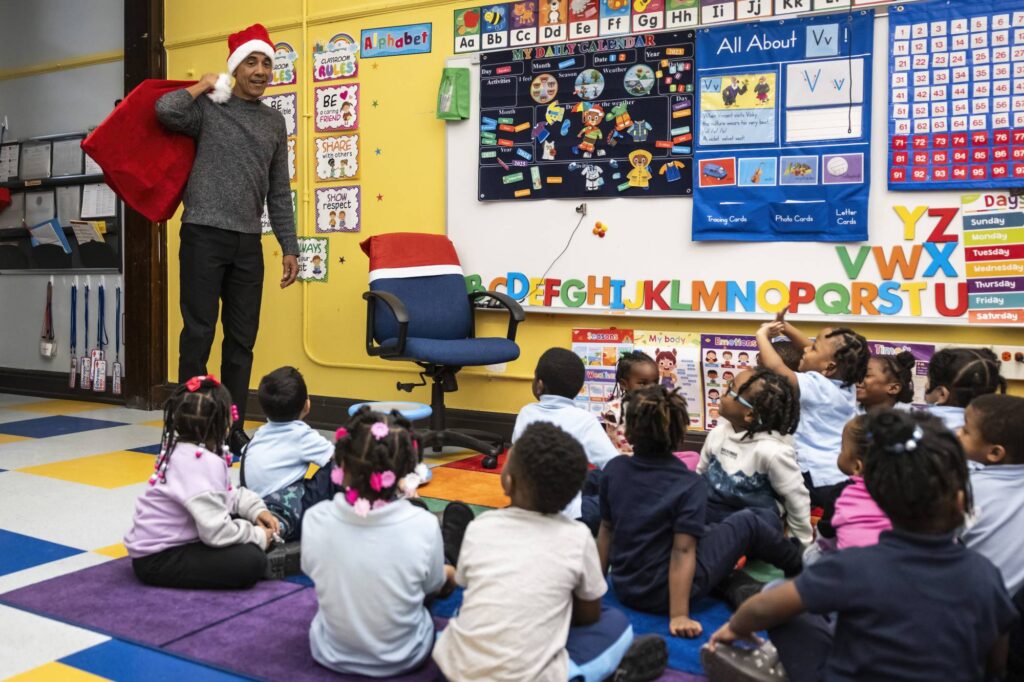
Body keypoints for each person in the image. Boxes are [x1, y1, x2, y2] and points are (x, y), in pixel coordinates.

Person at [706, 410, 1017, 682]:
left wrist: (737, 626)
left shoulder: (853, 565)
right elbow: (996, 656)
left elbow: (764, 607)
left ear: (879, 500)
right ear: (961, 501)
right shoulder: (985, 573)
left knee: (774, 593)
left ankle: (776, 667)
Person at [155, 23, 299, 457]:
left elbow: (278, 189)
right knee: (197, 333)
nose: (260, 70)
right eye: (251, 62)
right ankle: (189, 425)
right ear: (235, 68)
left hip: (248, 242)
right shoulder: (210, 110)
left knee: (241, 340)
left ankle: (233, 426)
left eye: (267, 63)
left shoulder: (275, 122)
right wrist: (201, 85)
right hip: (202, 233)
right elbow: (165, 110)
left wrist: (289, 246)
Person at [433, 422, 667, 682]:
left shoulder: (481, 526)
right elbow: (588, 616)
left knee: (465, 614)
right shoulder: (578, 538)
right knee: (617, 624)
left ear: (507, 480)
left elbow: (468, 588)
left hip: (455, 670)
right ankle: (578, 674)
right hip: (532, 676)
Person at [597, 385, 802, 639]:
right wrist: (679, 615)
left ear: (628, 432)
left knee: (712, 531)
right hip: (667, 596)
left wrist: (595, 590)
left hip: (626, 587)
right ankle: (799, 564)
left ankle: (732, 582)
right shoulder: (688, 483)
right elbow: (682, 551)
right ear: (679, 434)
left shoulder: (614, 469)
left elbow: (606, 530)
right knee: (748, 521)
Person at [301, 408, 473, 677]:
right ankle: (449, 559)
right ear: (406, 470)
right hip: (405, 655)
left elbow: (313, 571)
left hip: (329, 651)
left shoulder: (314, 519)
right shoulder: (421, 525)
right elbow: (431, 587)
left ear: (342, 464)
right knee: (457, 514)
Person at [124, 375, 276, 588]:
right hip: (158, 559)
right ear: (225, 424)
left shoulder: (183, 450)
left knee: (244, 527)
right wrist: (258, 536)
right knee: (251, 560)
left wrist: (256, 510)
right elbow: (216, 533)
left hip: (176, 541)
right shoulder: (201, 463)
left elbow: (226, 493)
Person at [755, 312, 868, 513]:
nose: (805, 349)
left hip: (813, 475)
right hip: (836, 474)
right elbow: (814, 350)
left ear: (829, 367)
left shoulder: (816, 385)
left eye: (813, 348)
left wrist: (762, 337)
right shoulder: (845, 386)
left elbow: (776, 367)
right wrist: (785, 327)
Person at [697, 368, 811, 547]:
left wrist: (801, 543)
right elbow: (700, 474)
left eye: (730, 390)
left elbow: (796, 499)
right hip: (713, 511)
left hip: (753, 521)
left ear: (749, 414)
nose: (722, 394)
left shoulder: (774, 452)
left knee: (762, 523)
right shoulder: (717, 434)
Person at [513, 347, 620, 529]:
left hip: (527, 506)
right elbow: (615, 467)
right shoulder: (585, 420)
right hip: (571, 517)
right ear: (578, 390)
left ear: (539, 384)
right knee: (611, 485)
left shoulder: (525, 412)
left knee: (592, 477)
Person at [242, 367, 335, 541]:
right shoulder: (302, 435)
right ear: (307, 405)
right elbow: (338, 456)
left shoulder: (258, 435)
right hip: (283, 507)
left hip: (253, 509)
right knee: (338, 467)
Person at [958, 394, 1024, 596]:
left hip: (968, 605)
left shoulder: (968, 489)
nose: (956, 433)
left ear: (995, 453)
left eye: (966, 431)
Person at [814, 414, 891, 553]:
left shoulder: (840, 494)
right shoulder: (906, 491)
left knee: (812, 553)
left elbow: (826, 539)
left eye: (842, 447)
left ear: (857, 466)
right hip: (895, 565)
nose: (840, 452)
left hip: (848, 568)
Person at [922, 346, 1006, 433]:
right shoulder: (997, 428)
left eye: (928, 382)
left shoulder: (922, 426)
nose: (925, 386)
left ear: (942, 394)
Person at [601, 350, 659, 455]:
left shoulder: (658, 406)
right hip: (624, 461)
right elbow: (619, 443)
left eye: (655, 382)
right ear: (624, 384)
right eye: (642, 383)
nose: (651, 388)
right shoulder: (614, 410)